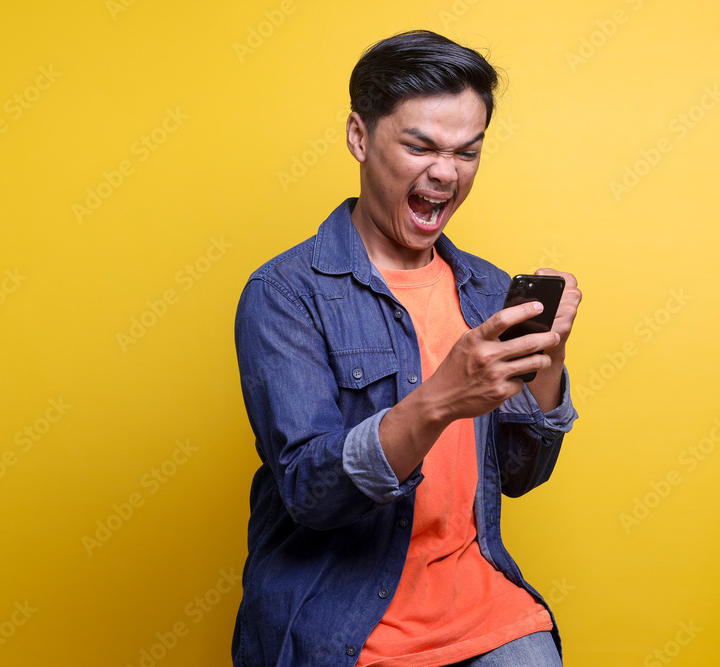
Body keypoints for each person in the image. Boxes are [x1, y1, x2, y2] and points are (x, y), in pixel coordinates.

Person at [233, 29, 581, 667]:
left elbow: (521, 477)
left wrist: (548, 360)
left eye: (467, 151)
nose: (446, 172)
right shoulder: (284, 294)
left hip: (482, 608)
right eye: (420, 146)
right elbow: (311, 493)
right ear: (359, 137)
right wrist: (440, 399)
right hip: (343, 619)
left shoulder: (485, 289)